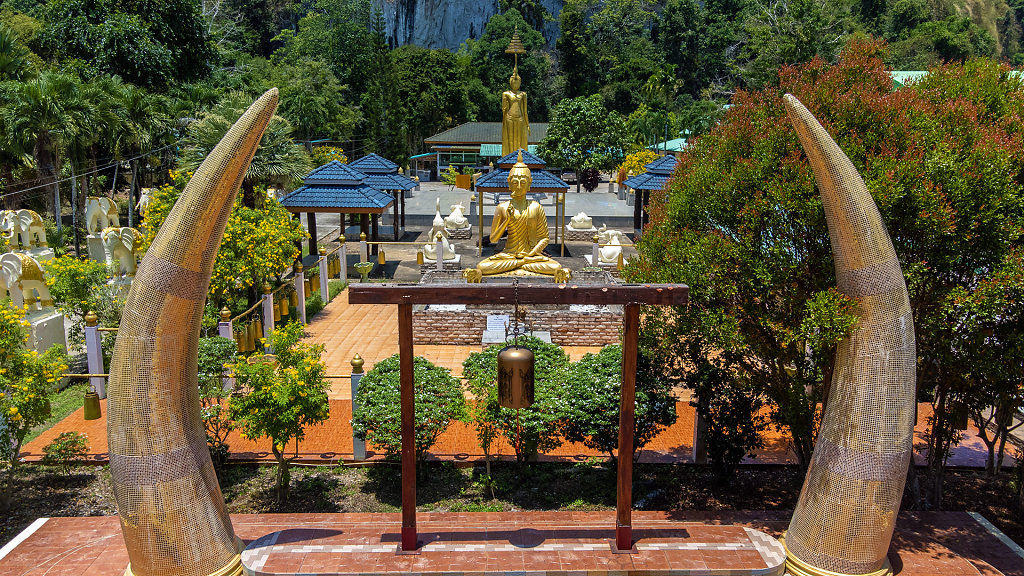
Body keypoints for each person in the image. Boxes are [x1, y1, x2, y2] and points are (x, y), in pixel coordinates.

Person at [468, 151, 563, 279]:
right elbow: (493, 239)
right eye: (515, 182)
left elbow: (545, 238)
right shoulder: (502, 207)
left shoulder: (536, 207)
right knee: (482, 266)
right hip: (508, 254)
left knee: (555, 267)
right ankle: (521, 264)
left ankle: (520, 263)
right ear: (509, 183)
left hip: (531, 255)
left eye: (523, 182)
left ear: (530, 183)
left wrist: (531, 254)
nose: (518, 186)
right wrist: (507, 220)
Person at [501, 67, 529, 155]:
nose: (516, 84)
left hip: (520, 118)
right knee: (510, 140)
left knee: (519, 140)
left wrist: (527, 124)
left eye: (518, 82)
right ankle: (509, 159)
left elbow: (525, 111)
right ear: (510, 82)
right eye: (514, 82)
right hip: (509, 118)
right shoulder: (506, 94)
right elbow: (504, 110)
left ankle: (520, 158)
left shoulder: (523, 94)